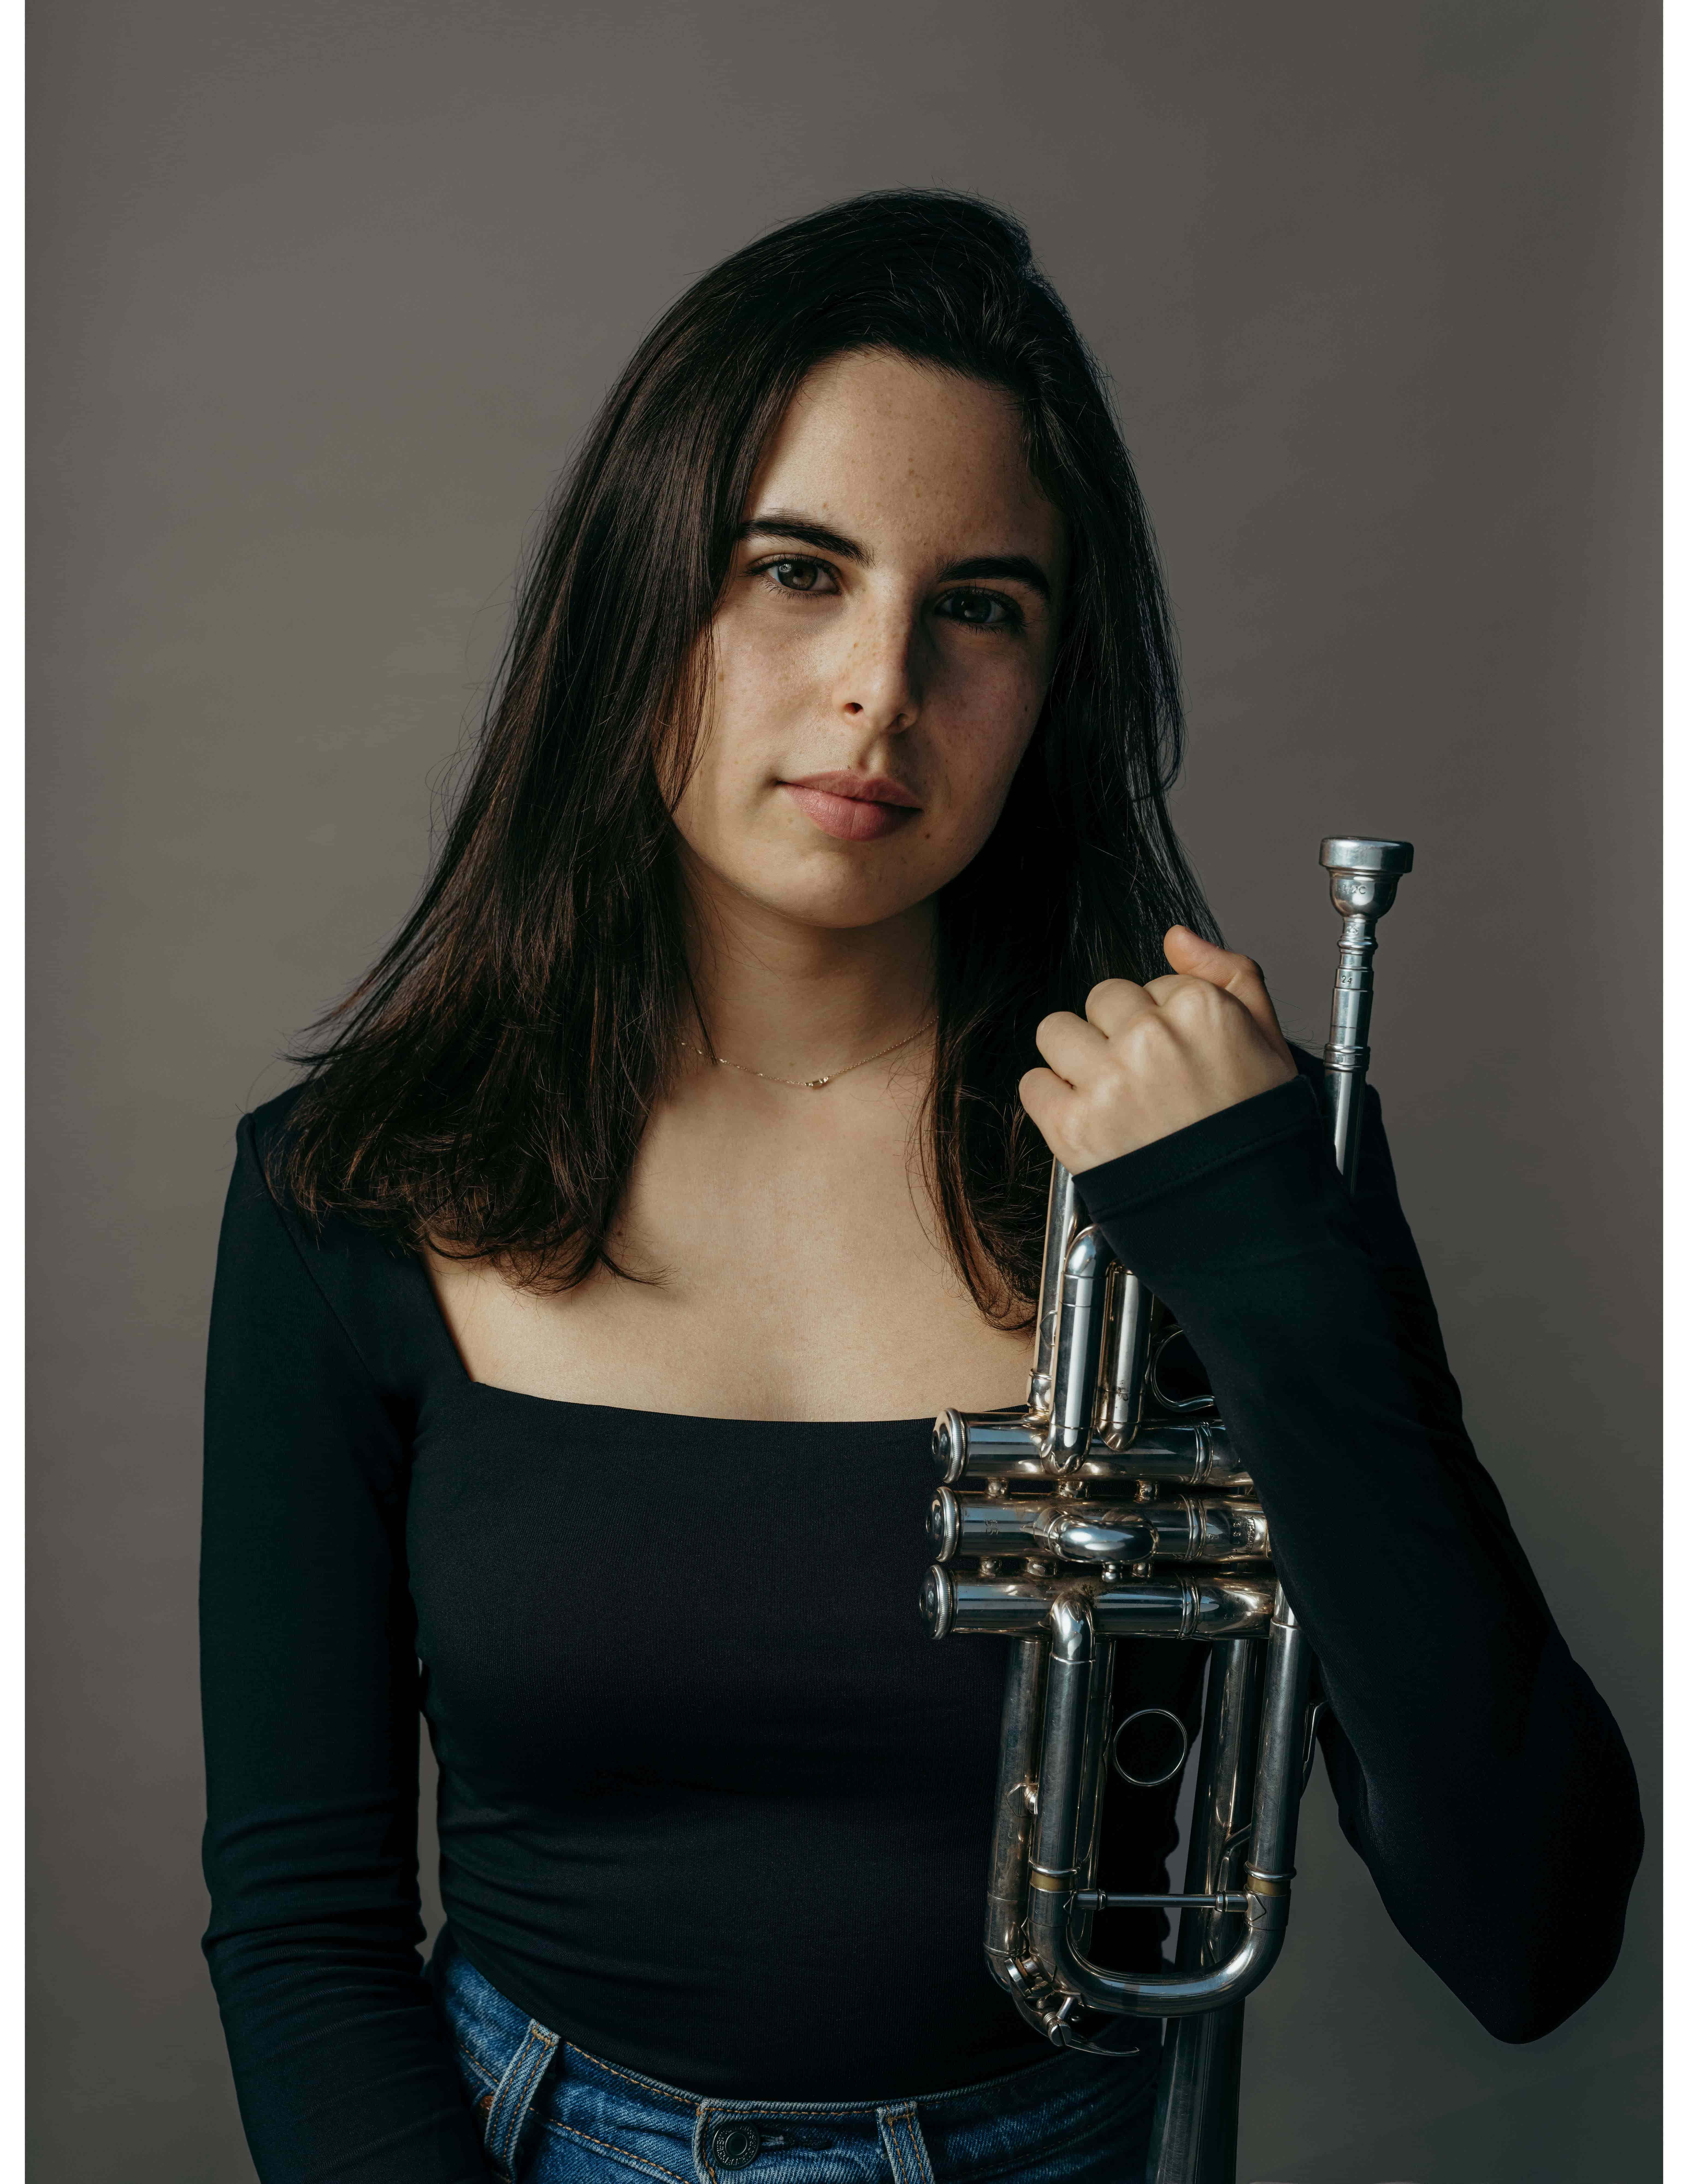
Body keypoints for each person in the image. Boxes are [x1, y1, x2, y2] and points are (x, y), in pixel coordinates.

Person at [199, 191, 1641, 2184]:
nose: (881, 686)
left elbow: (1528, 1934)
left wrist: (1267, 1258)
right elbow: (303, 1931)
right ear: (645, 603)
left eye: (979, 605)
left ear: (1050, 683)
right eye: (795, 570)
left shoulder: (1214, 1165)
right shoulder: (351, 1190)